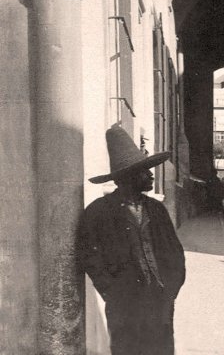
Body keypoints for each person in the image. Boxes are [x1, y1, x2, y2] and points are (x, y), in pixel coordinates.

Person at [78, 124, 185, 355]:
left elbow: (174, 251)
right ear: (128, 177)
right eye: (144, 171)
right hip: (123, 301)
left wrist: (171, 288)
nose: (150, 175)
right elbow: (89, 255)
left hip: (159, 298)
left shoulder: (156, 209)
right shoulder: (99, 212)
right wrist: (111, 291)